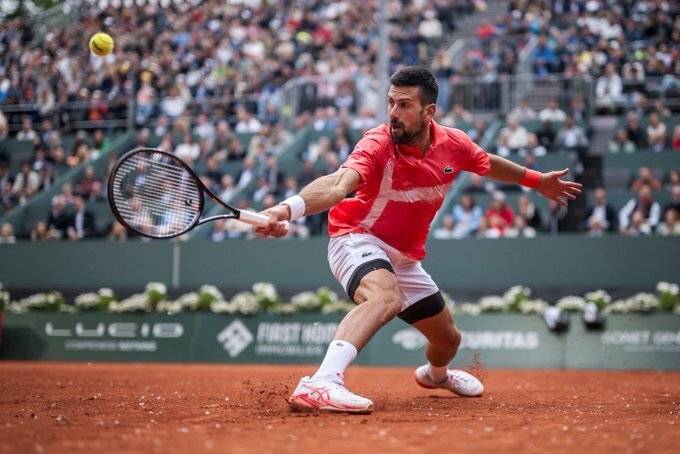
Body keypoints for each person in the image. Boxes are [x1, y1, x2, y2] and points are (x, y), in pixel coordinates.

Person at [255, 67, 581, 413]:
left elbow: (487, 162)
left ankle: (436, 376)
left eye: (404, 105)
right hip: (357, 237)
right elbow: (338, 184)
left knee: (448, 340)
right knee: (385, 297)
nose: (393, 113)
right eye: (390, 103)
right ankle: (321, 382)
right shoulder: (377, 142)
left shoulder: (454, 144)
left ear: (429, 111)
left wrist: (536, 181)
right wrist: (286, 209)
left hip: (404, 257)